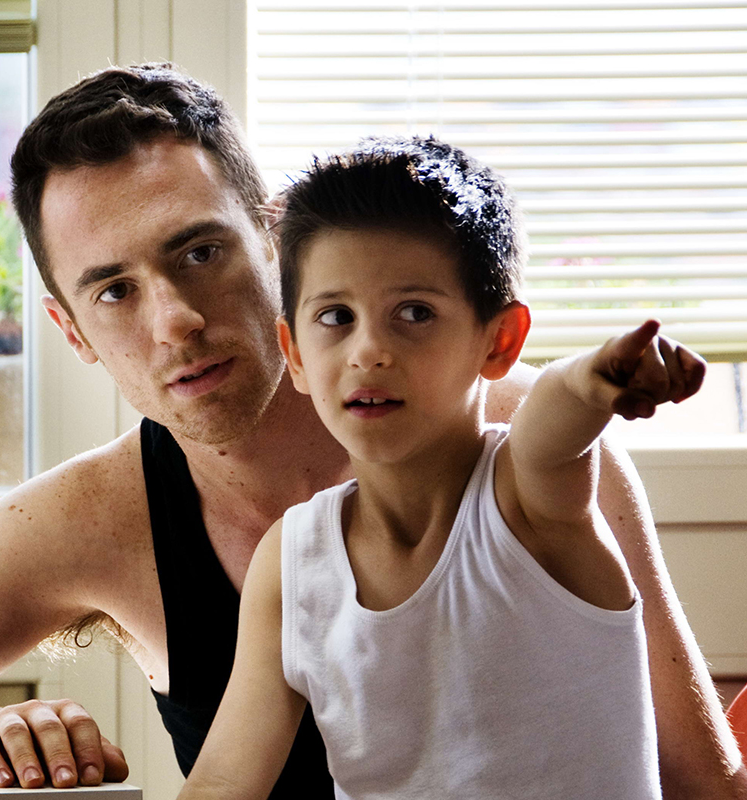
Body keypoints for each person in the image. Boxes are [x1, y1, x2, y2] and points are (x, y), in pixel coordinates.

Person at [0, 63, 742, 799]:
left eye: (200, 252)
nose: (174, 320)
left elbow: (704, 785)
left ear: (275, 241)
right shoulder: (88, 518)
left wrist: (601, 381)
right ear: (72, 330)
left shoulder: (528, 437)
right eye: (114, 292)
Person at [175, 137, 699, 799]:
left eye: (415, 313)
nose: (368, 350)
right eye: (335, 317)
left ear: (500, 340)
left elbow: (552, 420)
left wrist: (595, 381)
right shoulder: (292, 561)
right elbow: (224, 779)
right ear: (296, 354)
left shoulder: (526, 499)